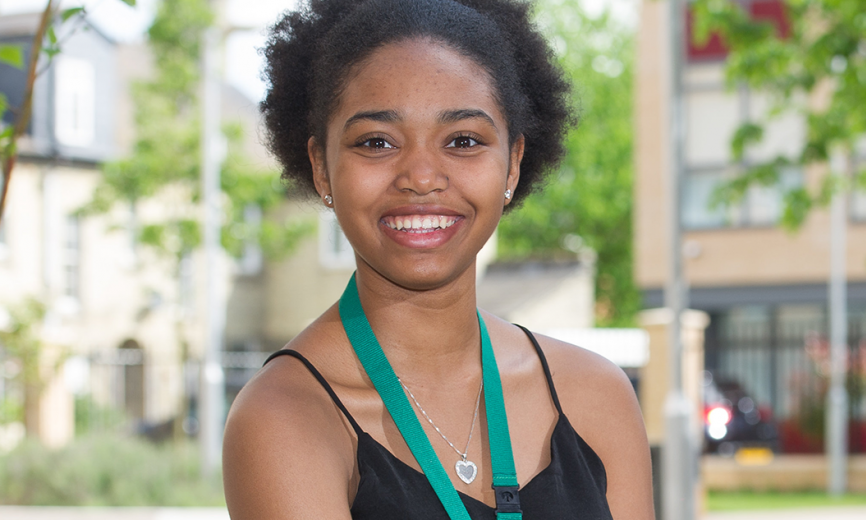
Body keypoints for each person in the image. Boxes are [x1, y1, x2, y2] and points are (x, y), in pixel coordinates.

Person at [222, 0, 653, 518]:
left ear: (512, 163)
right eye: (377, 142)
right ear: (321, 167)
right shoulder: (285, 416)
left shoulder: (596, 396)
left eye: (463, 140)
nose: (421, 176)